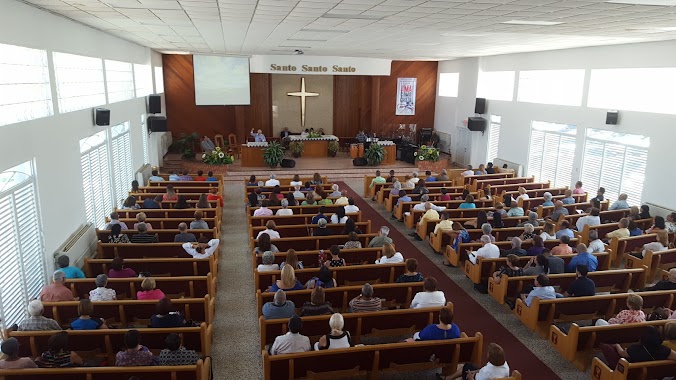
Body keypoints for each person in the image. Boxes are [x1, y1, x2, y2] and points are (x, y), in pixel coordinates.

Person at [443, 343, 510, 380]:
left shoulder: (487, 371)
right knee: (468, 366)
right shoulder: (505, 365)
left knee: (466, 368)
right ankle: (449, 378)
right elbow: (484, 369)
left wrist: (470, 377)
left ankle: (448, 378)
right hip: (483, 376)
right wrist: (474, 371)